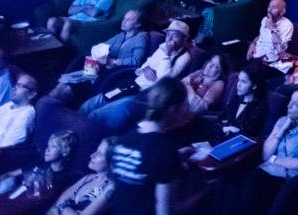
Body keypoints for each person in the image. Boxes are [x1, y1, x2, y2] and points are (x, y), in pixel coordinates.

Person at [79, 20, 192, 118]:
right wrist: (146, 68)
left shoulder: (184, 57)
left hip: (146, 94)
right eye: (168, 35)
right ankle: (77, 119)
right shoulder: (162, 47)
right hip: (134, 82)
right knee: (94, 102)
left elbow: (164, 80)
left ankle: (87, 127)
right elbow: (147, 63)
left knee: (99, 113)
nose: (170, 39)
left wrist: (167, 54)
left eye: (175, 35)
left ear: (184, 40)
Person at [106, 78, 186, 215]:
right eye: (184, 106)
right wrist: (201, 195)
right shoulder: (165, 150)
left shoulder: (123, 140)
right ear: (173, 109)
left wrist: (176, 159)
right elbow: (165, 211)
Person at [238, 88, 298, 211]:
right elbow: (265, 155)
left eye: (296, 104)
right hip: (268, 171)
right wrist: (282, 129)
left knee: (257, 186)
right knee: (251, 180)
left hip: (291, 178)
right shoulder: (282, 121)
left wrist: (274, 159)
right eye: (290, 101)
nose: (289, 105)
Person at [47, 138, 116, 215]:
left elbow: (60, 205)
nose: (92, 155)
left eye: (99, 154)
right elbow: (57, 204)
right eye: (96, 150)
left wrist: (62, 207)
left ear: (111, 162)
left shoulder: (111, 188)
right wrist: (67, 210)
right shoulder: (88, 178)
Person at [0, 72, 39, 148]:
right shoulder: (8, 105)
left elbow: (9, 144)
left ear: (31, 94)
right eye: (16, 84)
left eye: (20, 86)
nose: (14, 88)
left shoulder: (27, 113)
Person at [216, 66, 268, 139]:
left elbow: (249, 132)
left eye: (243, 82)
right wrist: (227, 128)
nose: (238, 85)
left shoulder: (259, 106)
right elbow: (219, 120)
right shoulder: (236, 99)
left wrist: (227, 128)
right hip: (221, 140)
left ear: (254, 85)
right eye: (239, 80)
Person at [246, 0, 294, 69]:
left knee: (244, 74)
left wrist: (272, 28)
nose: (269, 10)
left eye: (274, 7)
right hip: (255, 54)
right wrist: (252, 44)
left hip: (267, 61)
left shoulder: (287, 25)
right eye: (269, 6)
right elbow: (261, 35)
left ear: (282, 12)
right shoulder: (265, 20)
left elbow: (280, 49)